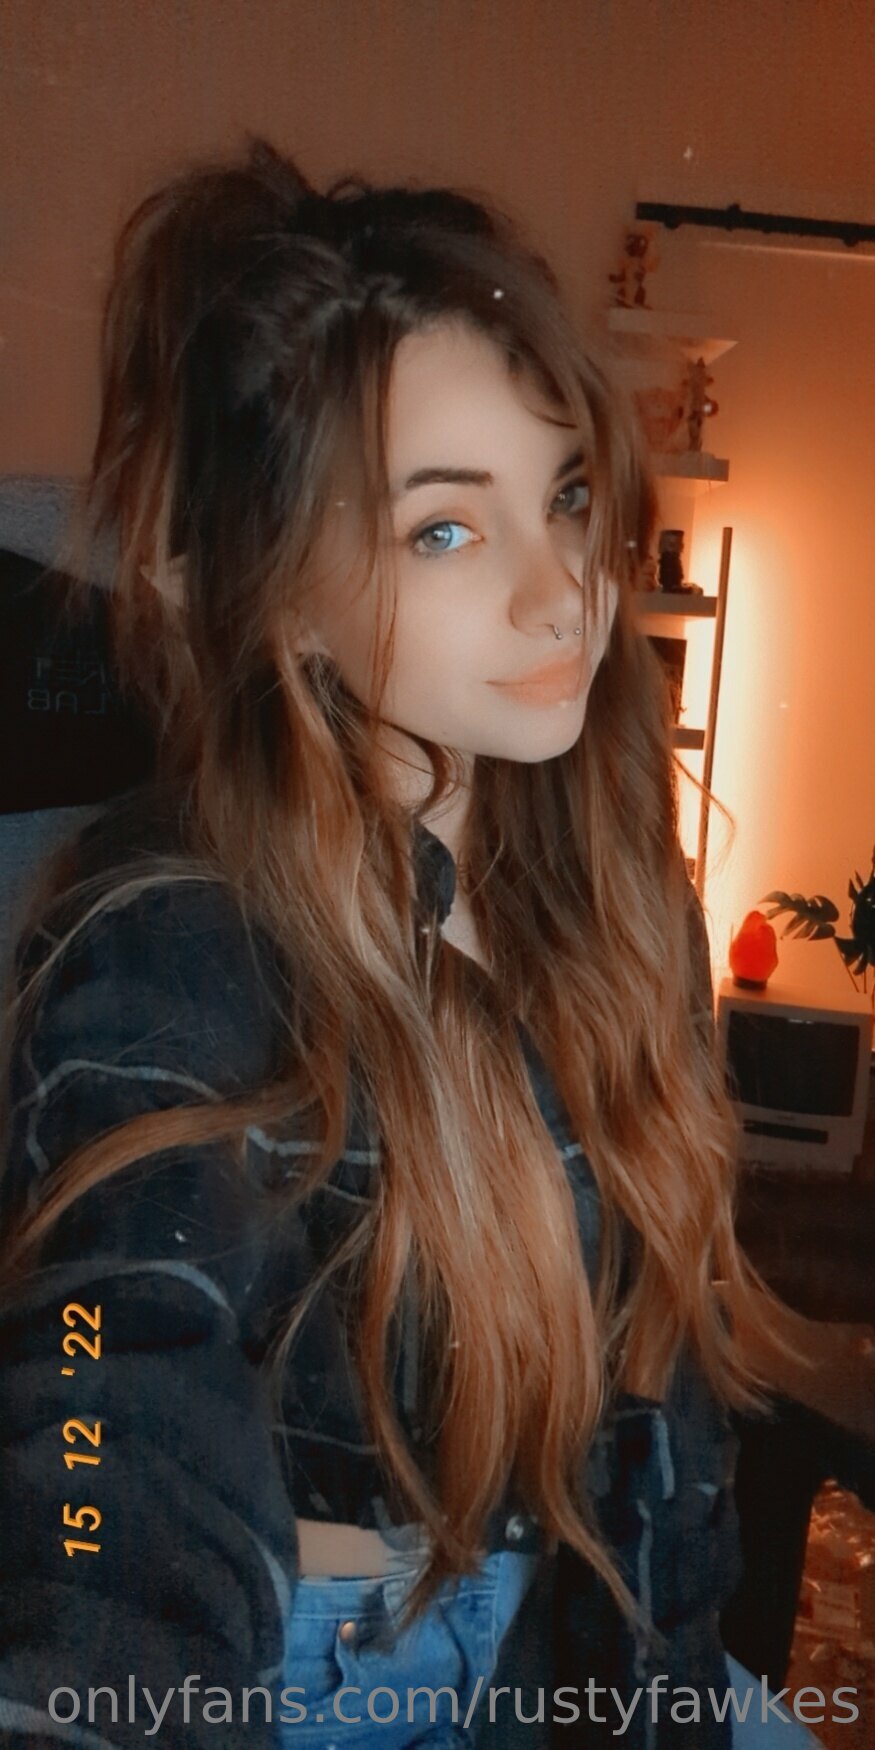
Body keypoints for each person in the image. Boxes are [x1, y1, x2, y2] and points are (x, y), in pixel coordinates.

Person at [0, 138, 827, 1750]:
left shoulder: (613, 895)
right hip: (301, 1679)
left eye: (565, 496)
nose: (560, 590)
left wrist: (659, 1701)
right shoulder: (168, 938)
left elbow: (665, 1410)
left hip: (567, 1655)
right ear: (275, 591)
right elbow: (106, 1396)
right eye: (447, 529)